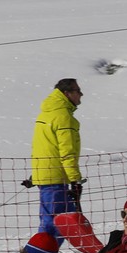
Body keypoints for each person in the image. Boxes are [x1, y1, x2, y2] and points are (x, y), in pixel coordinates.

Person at [30, 78, 86, 240]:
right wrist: (75, 180)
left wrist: (36, 174)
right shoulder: (64, 117)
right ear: (66, 93)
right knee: (55, 224)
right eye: (77, 91)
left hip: (47, 175)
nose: (81, 94)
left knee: (59, 220)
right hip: (56, 177)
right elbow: (67, 152)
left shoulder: (46, 113)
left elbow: (42, 146)